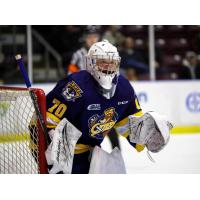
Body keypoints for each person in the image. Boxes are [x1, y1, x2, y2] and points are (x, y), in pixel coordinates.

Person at [46, 40, 171, 174]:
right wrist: (56, 150)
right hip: (62, 150)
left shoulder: (124, 88)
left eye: (112, 62)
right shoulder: (76, 85)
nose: (108, 66)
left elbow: (129, 124)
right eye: (103, 61)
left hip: (91, 150)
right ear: (91, 63)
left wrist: (144, 135)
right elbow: (48, 118)